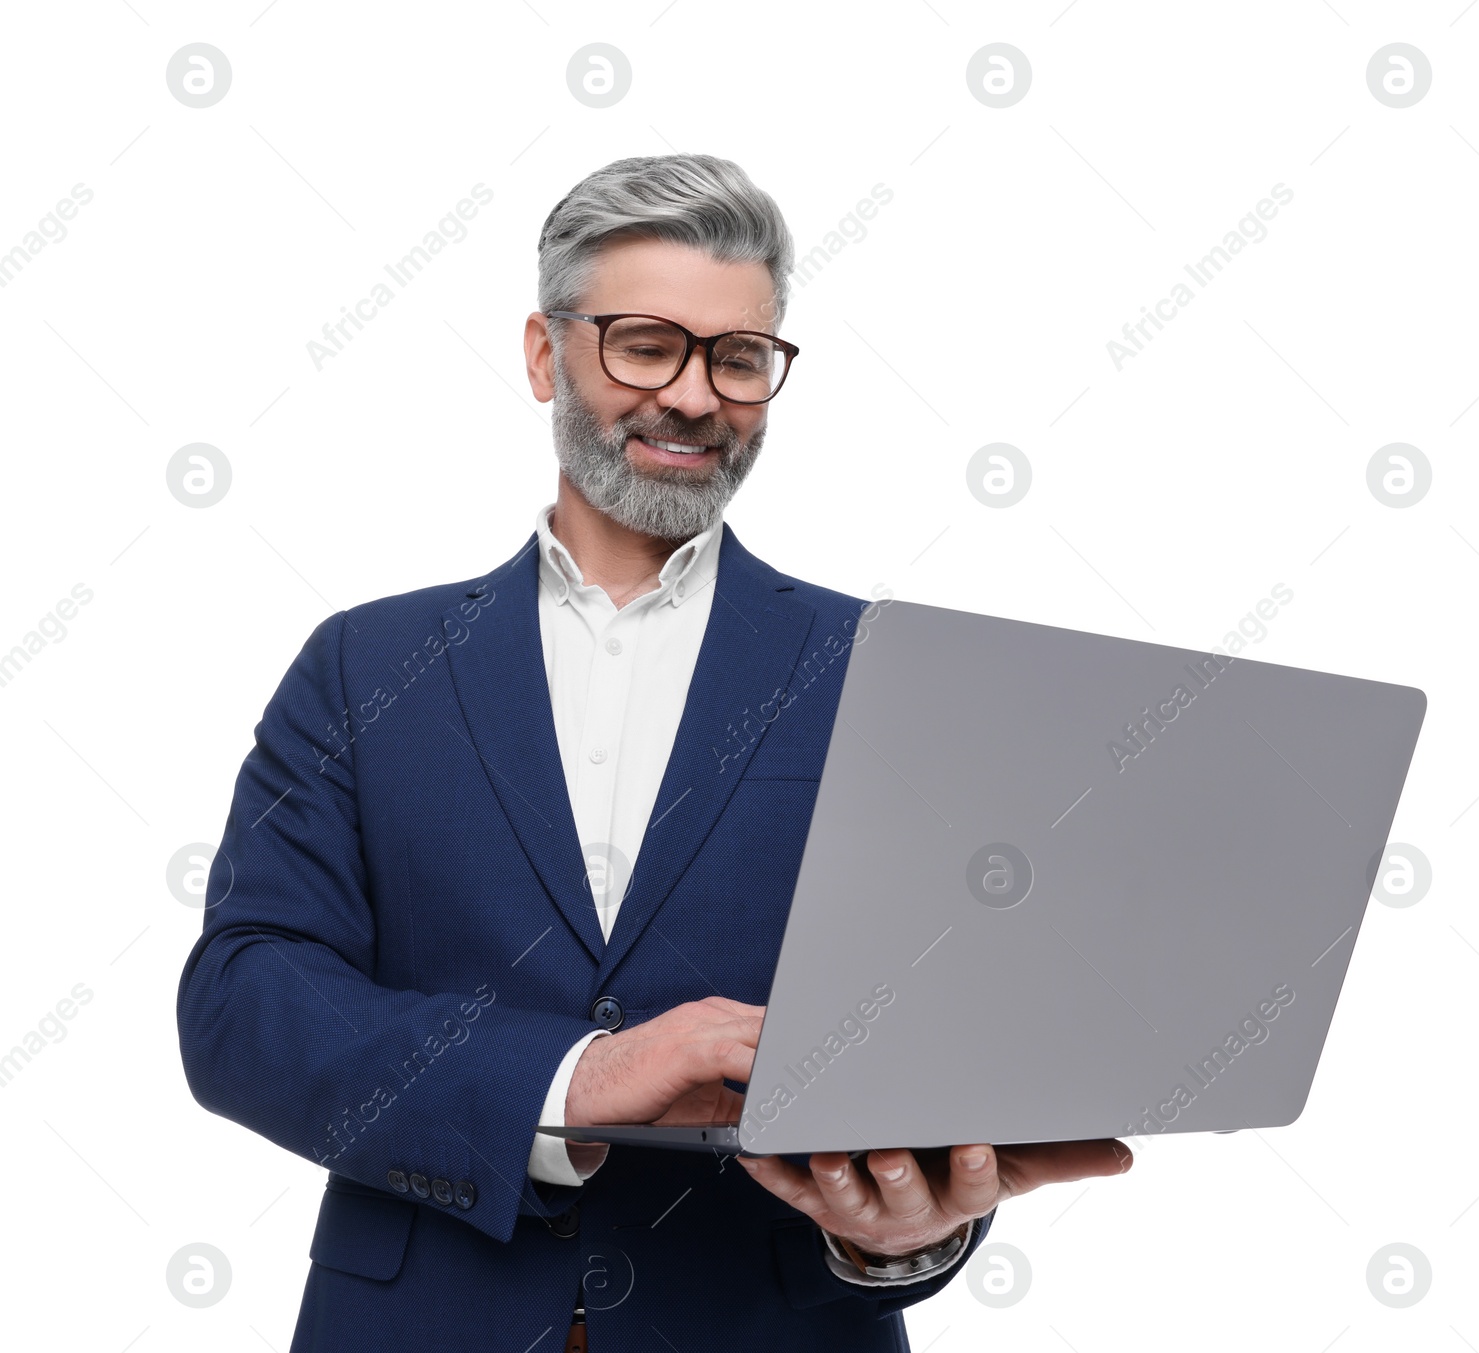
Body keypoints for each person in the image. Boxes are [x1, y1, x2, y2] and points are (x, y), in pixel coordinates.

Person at [175, 152, 1132, 1353]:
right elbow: (245, 1005)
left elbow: (945, 1028)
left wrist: (907, 1233)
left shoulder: (887, 671)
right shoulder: (366, 665)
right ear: (544, 353)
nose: (693, 397)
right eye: (645, 342)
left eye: (738, 358)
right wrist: (573, 1081)